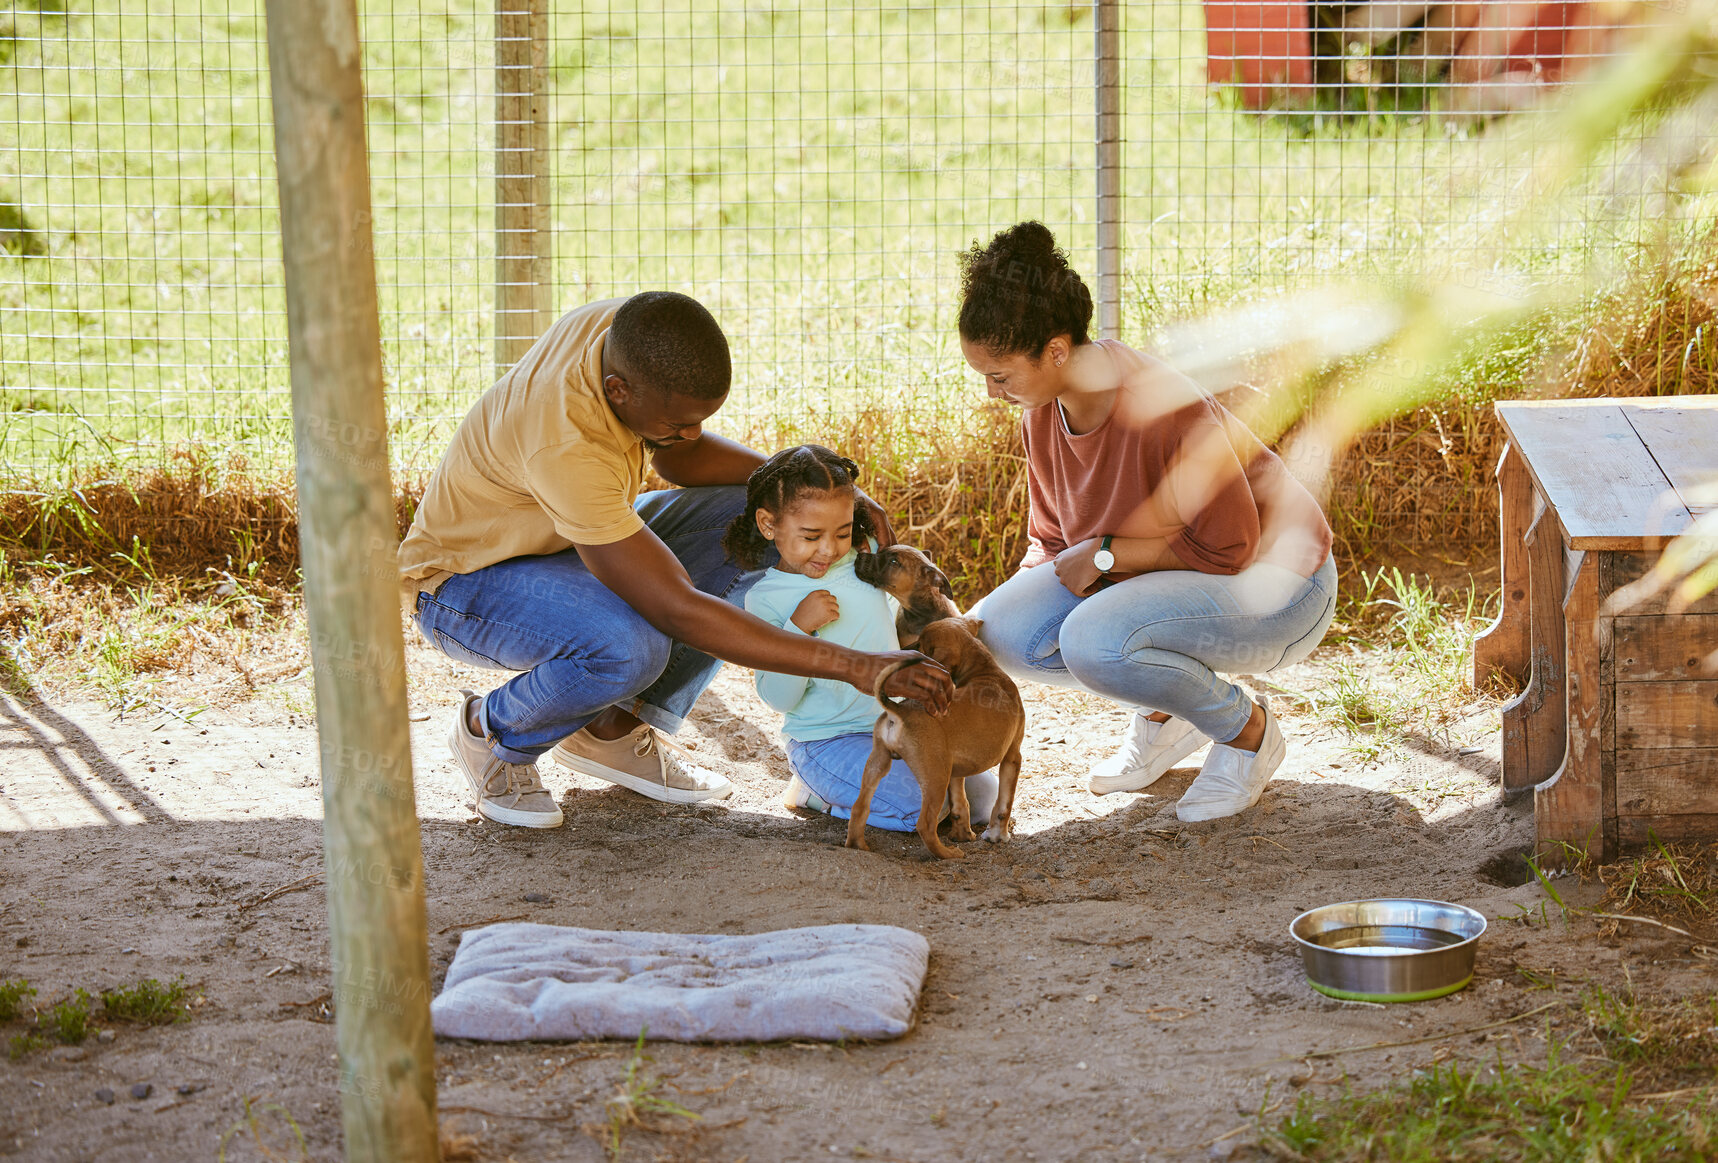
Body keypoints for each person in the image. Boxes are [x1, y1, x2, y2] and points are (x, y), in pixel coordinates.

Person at [399, 293, 951, 829]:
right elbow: (677, 610)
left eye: (699, 422)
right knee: (628, 647)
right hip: (468, 580)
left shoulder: (622, 334)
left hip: (565, 538)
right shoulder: (566, 444)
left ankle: (611, 730)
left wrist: (814, 490)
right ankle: (494, 734)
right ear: (618, 392)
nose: (689, 436)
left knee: (767, 514)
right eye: (678, 425)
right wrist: (857, 666)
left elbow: (683, 458)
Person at [957, 223, 1337, 822]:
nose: (989, 392)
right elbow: (1053, 541)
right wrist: (992, 616)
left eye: (999, 376)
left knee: (1093, 641)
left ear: (1056, 351)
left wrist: (1109, 554)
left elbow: (1230, 545)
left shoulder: (1157, 404)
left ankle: (1248, 734)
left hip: (1282, 588)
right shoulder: (1042, 412)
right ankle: (1167, 713)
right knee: (1002, 630)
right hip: (1191, 579)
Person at [728, 445, 1000, 833]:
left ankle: (859, 791)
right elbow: (777, 698)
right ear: (769, 525)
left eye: (841, 532)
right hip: (828, 742)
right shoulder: (766, 599)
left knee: (981, 796)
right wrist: (797, 627)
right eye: (811, 536)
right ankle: (816, 794)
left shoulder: (862, 562)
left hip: (897, 726)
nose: (828, 548)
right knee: (927, 805)